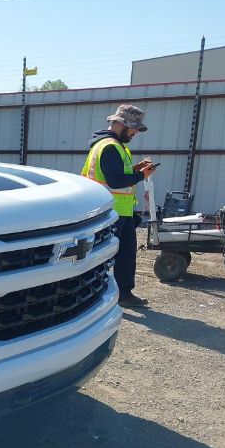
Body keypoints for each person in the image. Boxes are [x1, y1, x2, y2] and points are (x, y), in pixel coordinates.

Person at [81, 104, 157, 308]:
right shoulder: (109, 147)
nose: (134, 133)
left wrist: (136, 169)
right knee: (106, 256)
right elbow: (115, 181)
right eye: (133, 129)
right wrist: (141, 175)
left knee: (125, 254)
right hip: (109, 212)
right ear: (119, 124)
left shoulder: (116, 146)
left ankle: (123, 293)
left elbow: (117, 174)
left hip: (118, 211)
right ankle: (100, 294)